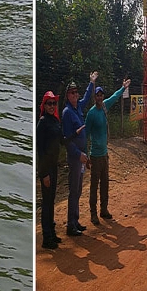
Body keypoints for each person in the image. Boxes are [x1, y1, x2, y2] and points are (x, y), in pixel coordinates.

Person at [37, 91, 85, 249]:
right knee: (47, 202)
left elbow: (62, 141)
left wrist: (75, 134)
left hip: (54, 166)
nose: (52, 106)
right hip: (46, 168)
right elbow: (40, 151)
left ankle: (51, 233)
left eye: (53, 103)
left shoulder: (55, 121)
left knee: (51, 201)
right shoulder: (43, 122)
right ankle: (46, 238)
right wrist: (43, 174)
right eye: (49, 103)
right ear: (44, 106)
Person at [85, 78, 131, 225]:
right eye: (97, 95)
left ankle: (104, 210)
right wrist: (86, 156)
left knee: (105, 184)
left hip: (105, 154)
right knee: (94, 185)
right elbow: (85, 135)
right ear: (94, 97)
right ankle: (93, 213)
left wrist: (123, 88)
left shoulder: (104, 107)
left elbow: (115, 97)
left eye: (101, 95)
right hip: (95, 156)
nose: (99, 97)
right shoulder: (91, 114)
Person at [62, 71, 97, 236]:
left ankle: (75, 221)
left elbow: (88, 96)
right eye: (72, 93)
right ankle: (70, 225)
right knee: (73, 190)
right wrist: (78, 154)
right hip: (75, 157)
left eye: (77, 92)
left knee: (78, 190)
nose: (76, 95)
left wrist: (91, 82)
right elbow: (67, 140)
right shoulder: (67, 113)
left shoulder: (78, 108)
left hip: (81, 156)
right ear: (67, 95)